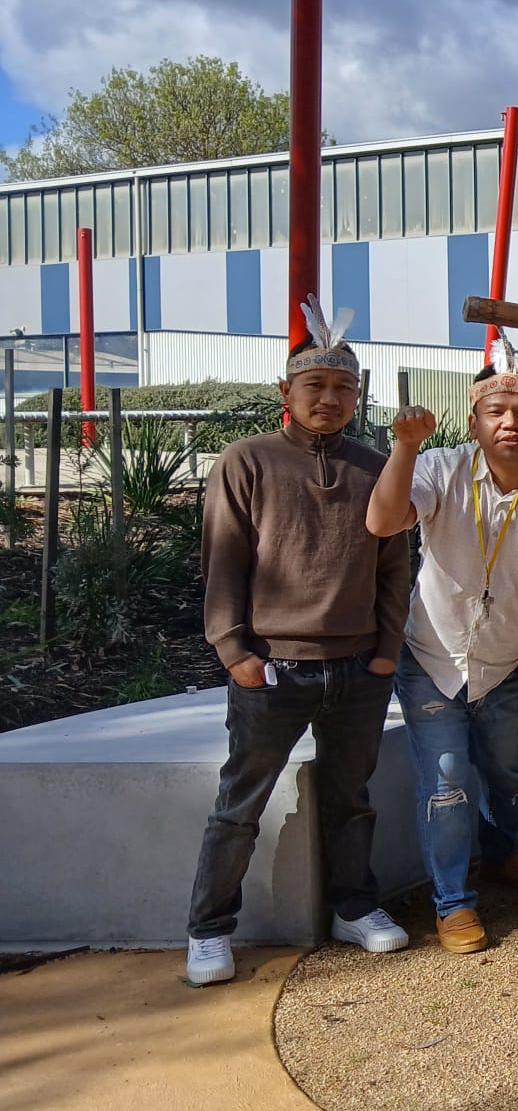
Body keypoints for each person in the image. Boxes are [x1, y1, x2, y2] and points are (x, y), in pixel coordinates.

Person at [185, 299, 412, 987]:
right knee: (240, 805)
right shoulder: (246, 461)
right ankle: (208, 928)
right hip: (272, 669)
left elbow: (397, 566)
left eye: (345, 387)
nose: (330, 398)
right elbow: (223, 560)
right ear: (286, 393)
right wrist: (234, 652)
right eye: (315, 386)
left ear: (359, 394)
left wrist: (386, 650)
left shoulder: (378, 467)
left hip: (358, 668)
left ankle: (354, 906)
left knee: (352, 797)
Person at [366, 339, 518, 954]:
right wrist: (405, 445)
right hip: (432, 656)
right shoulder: (439, 468)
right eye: (496, 411)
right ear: (473, 421)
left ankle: (500, 854)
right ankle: (453, 902)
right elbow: (383, 522)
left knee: (511, 774)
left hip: (507, 661)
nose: (511, 423)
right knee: (446, 780)